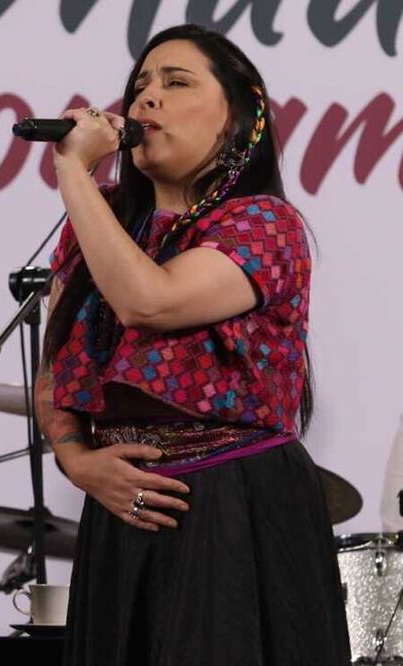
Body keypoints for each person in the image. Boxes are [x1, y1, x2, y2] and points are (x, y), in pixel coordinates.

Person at [34, 24, 349, 664]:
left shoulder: (265, 224)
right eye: (140, 87)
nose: (145, 100)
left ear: (241, 115)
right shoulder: (104, 226)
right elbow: (56, 363)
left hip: (235, 503)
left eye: (176, 83)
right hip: (124, 508)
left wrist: (72, 169)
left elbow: (152, 300)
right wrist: (76, 458)